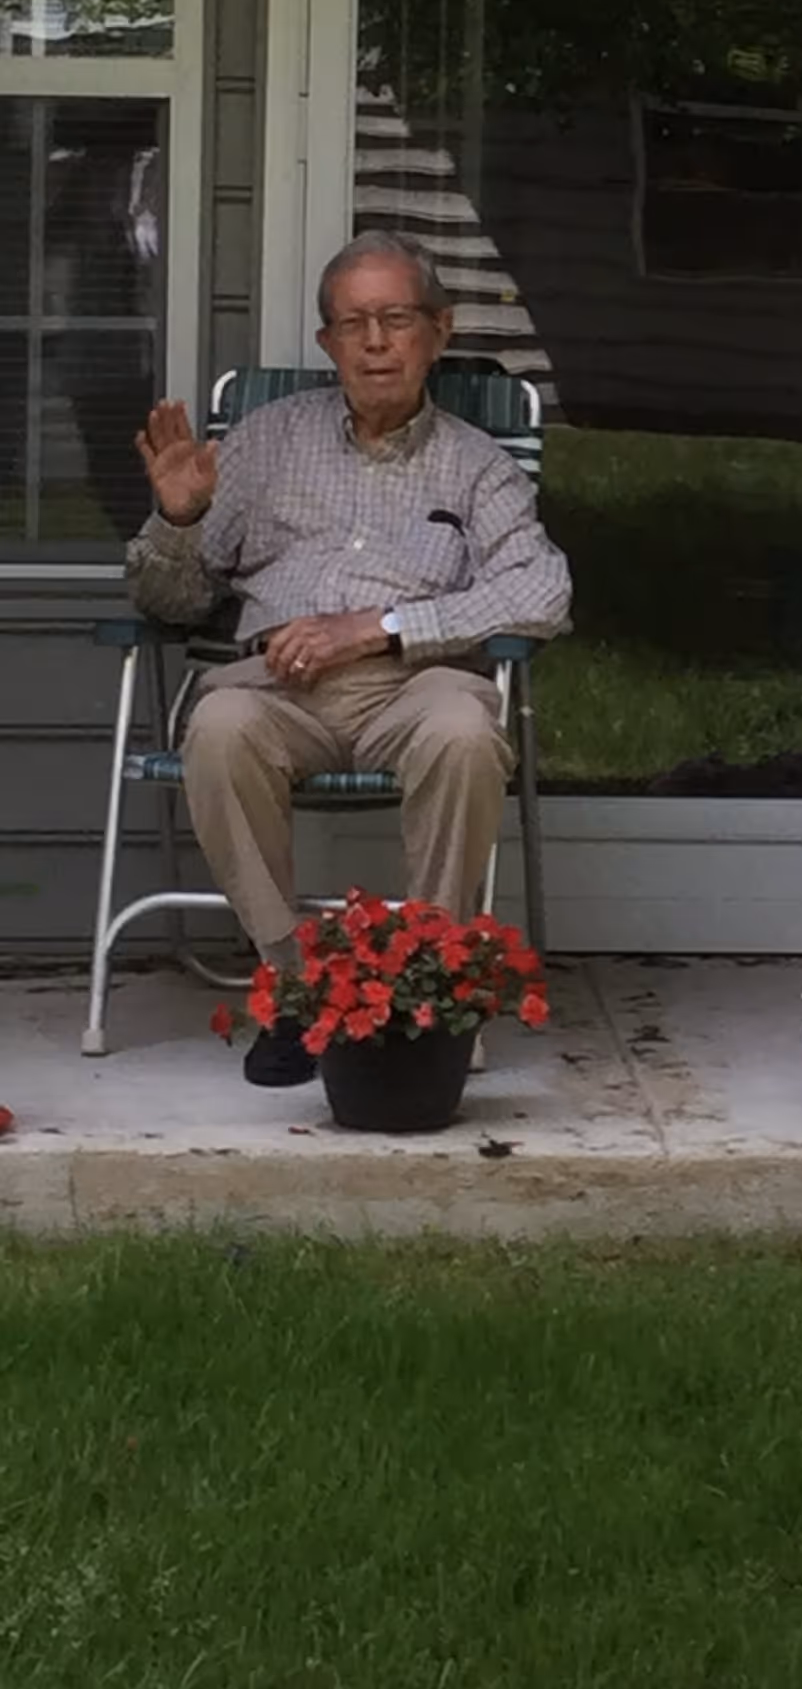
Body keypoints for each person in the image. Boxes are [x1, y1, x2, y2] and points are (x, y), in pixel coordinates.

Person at [127, 229, 572, 1087]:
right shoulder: (260, 444)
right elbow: (170, 603)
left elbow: (541, 593)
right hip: (275, 690)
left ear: (438, 332)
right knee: (217, 724)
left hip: (415, 686)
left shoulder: (480, 467)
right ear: (328, 341)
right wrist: (178, 521)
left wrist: (382, 625)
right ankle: (296, 989)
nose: (375, 342)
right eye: (354, 322)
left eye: (396, 318)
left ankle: (430, 989)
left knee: (465, 732)